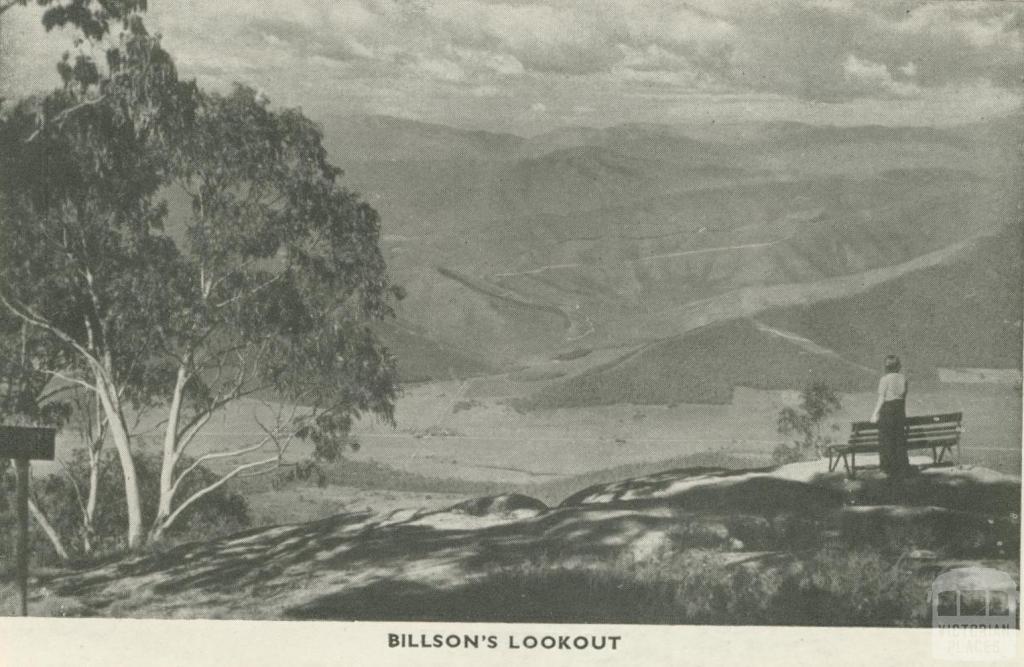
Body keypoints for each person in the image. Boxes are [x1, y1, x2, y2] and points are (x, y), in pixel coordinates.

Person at [871, 355, 909, 476]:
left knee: (886, 440)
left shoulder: (884, 380)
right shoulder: (904, 379)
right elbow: (903, 398)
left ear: (886, 367)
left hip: (887, 411)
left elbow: (881, 398)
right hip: (899, 411)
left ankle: (887, 468)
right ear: (898, 366)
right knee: (899, 439)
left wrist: (875, 414)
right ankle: (901, 467)